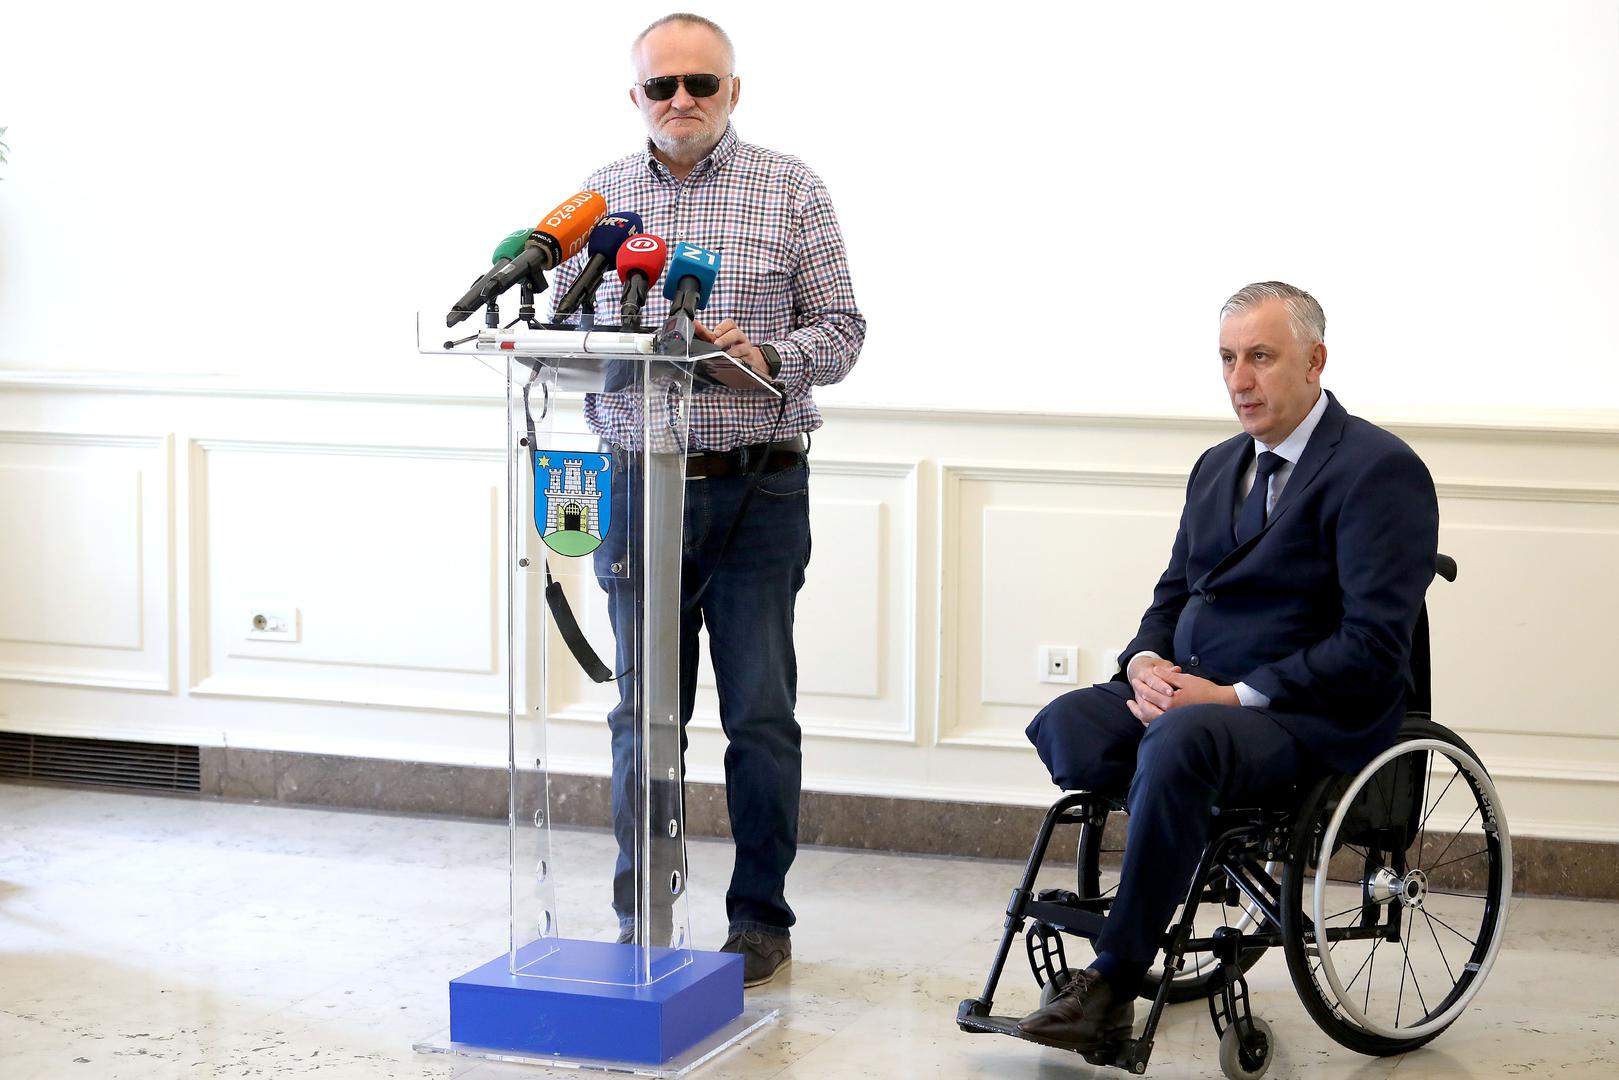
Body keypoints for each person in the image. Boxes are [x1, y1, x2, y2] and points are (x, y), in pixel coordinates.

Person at [1017, 282, 1439, 1048]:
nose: (1238, 380)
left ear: (1313, 361)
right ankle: (1175, 829)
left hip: (1301, 714)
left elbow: (1372, 644)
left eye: (1260, 357)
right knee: (1067, 724)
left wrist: (1229, 697)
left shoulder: (1378, 469)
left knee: (1180, 746)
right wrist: (1145, 665)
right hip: (1194, 699)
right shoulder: (1216, 466)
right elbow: (1173, 594)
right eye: (1226, 359)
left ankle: (1112, 979)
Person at [550, 12, 864, 987]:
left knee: (759, 715)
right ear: (635, 96)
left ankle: (759, 918)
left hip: (753, 490)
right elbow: (558, 330)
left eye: (701, 83)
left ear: (733, 90)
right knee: (640, 716)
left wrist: (762, 354)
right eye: (662, 86)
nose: (680, 100)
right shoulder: (598, 200)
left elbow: (842, 331)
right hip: (634, 486)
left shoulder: (790, 187)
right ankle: (640, 912)